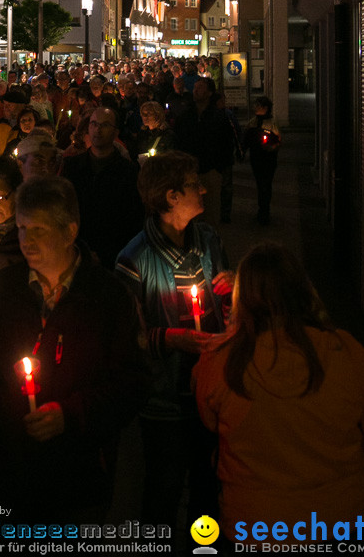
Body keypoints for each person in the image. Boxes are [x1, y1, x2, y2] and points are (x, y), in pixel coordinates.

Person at [0, 176, 151, 521]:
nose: (26, 241)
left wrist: (71, 414)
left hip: (78, 480)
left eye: (39, 230)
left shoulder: (107, 297)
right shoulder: (1, 290)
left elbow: (133, 384)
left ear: (69, 231)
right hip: (8, 473)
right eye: (21, 229)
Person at [193, 242, 364, 543]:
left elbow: (207, 420)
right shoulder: (346, 351)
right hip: (342, 520)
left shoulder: (220, 361)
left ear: (240, 299)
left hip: (255, 527)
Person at [116, 151, 233, 541]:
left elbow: (229, 310)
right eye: (193, 184)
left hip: (211, 390)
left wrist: (234, 291)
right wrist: (170, 338)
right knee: (163, 492)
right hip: (164, 400)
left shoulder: (209, 239)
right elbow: (126, 338)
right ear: (171, 197)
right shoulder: (135, 259)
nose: (202, 189)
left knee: (207, 489)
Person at [61, 107, 142, 268]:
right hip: (77, 252)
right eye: (93, 124)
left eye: (104, 125)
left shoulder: (129, 172)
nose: (98, 130)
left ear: (115, 132)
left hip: (115, 254)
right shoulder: (72, 167)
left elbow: (133, 218)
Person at [175, 77, 234, 224]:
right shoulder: (187, 115)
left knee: (210, 214)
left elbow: (226, 143)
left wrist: (218, 168)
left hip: (210, 170)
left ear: (209, 93)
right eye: (195, 87)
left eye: (200, 88)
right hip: (189, 172)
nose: (195, 90)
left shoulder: (218, 116)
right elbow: (180, 140)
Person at [243, 95, 282, 225]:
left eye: (258, 105)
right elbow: (246, 139)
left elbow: (278, 142)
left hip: (268, 158)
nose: (255, 107)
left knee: (265, 183)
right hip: (256, 158)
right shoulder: (253, 122)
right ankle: (263, 209)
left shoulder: (271, 123)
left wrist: (270, 147)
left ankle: (264, 210)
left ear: (265, 108)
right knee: (261, 183)